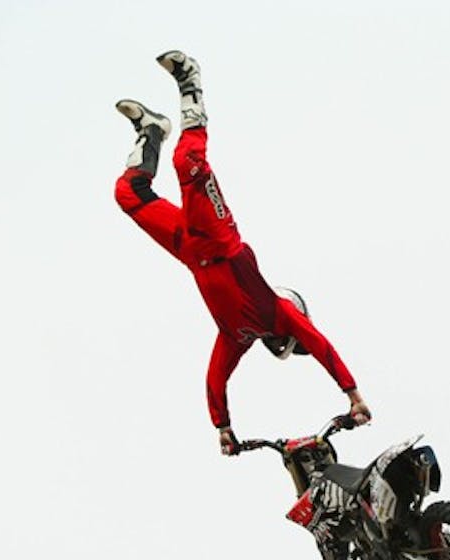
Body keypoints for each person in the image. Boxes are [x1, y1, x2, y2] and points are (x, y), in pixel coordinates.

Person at [113, 50, 371, 455]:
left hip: (190, 250)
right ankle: (190, 84)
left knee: (128, 194)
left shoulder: (236, 336)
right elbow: (320, 345)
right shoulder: (277, 312)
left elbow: (216, 378)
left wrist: (224, 427)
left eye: (283, 348)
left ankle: (151, 132)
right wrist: (353, 395)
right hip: (216, 237)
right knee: (189, 160)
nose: (279, 345)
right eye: (286, 343)